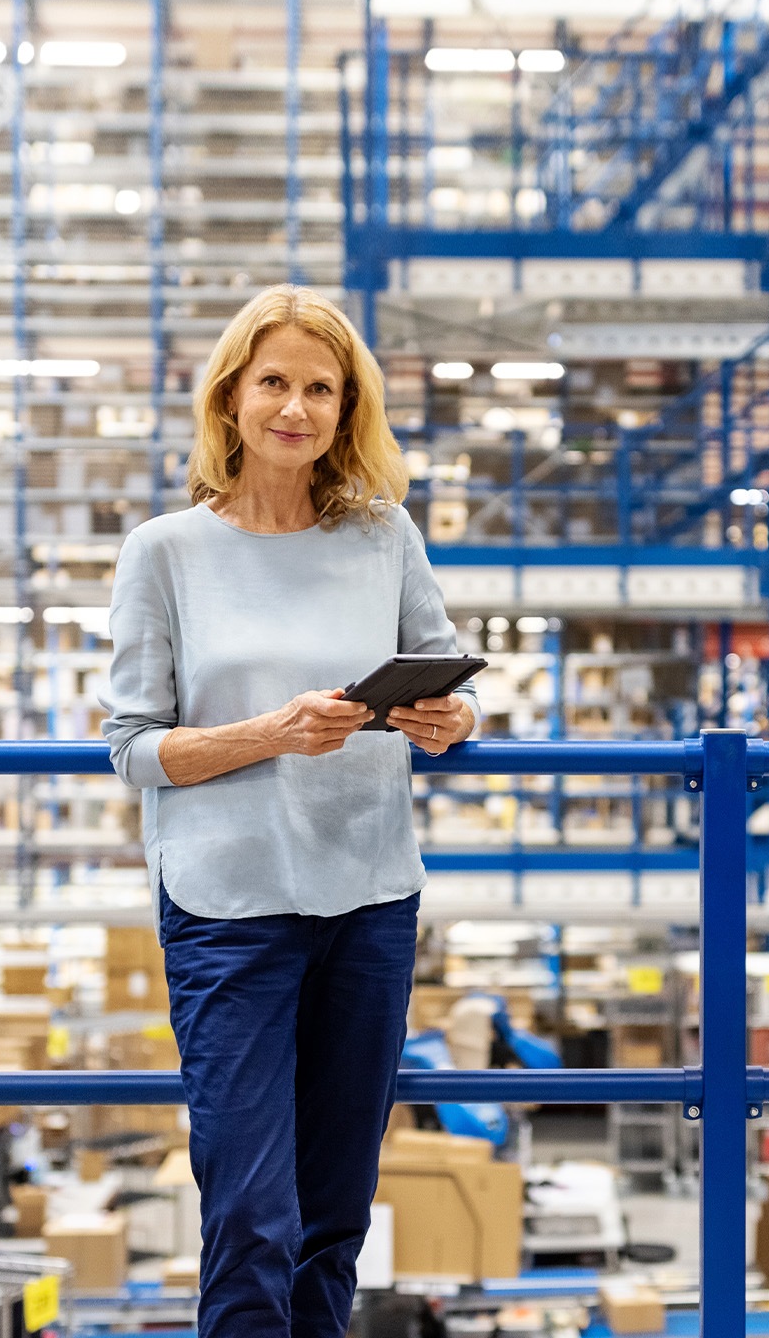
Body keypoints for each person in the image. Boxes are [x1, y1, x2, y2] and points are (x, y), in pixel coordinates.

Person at [99, 284, 480, 1338]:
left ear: (347, 408)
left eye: (323, 388)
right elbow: (134, 749)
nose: (297, 408)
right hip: (230, 911)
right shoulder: (165, 552)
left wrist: (451, 716)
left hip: (368, 901)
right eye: (275, 382)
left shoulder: (383, 535)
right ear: (230, 399)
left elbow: (454, 682)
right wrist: (273, 732)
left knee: (333, 1217)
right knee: (253, 1216)